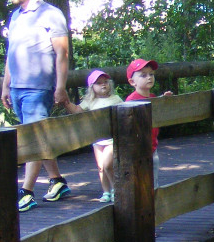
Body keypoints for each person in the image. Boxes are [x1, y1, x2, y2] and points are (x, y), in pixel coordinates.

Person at [0, 0, 71, 212]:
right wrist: (5, 85)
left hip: (39, 88)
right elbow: (11, 53)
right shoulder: (15, 16)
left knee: (32, 139)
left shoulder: (51, 14)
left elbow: (62, 53)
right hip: (18, 87)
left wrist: (60, 87)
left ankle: (26, 192)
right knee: (38, 138)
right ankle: (57, 181)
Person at [63, 70, 123, 203]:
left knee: (108, 165)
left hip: (112, 138)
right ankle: (106, 191)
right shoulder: (90, 101)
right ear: (92, 87)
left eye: (105, 82)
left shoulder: (116, 99)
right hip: (97, 139)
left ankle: (115, 189)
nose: (103, 85)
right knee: (101, 167)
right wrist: (65, 102)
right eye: (99, 83)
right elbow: (77, 111)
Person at [125, 58, 173, 188]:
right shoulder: (131, 101)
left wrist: (164, 101)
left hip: (152, 148)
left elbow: (159, 114)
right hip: (137, 150)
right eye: (143, 75)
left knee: (153, 183)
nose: (149, 78)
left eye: (151, 74)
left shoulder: (152, 97)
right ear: (132, 81)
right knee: (140, 184)